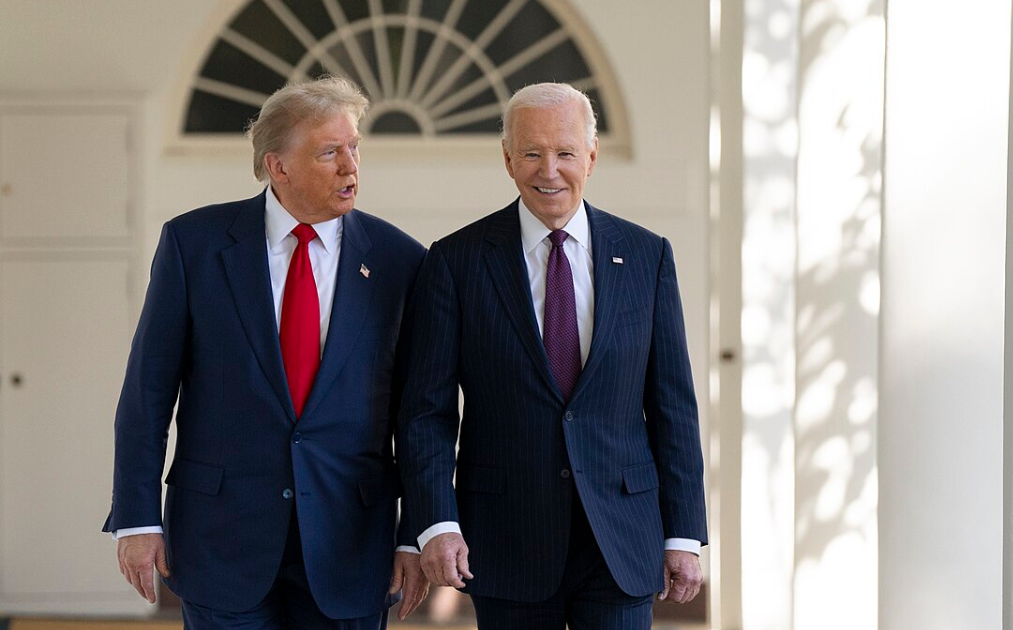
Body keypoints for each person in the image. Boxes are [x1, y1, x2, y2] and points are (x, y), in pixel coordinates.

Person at [103, 76, 429, 628]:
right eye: (330, 153)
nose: (351, 167)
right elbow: (147, 392)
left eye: (355, 148)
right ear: (278, 166)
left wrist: (416, 532)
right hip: (221, 538)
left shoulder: (402, 261)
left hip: (350, 542)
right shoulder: (194, 245)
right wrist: (137, 519)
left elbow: (417, 414)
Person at [398, 82, 708, 630]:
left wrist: (682, 533)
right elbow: (427, 413)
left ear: (590, 156)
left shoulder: (646, 256)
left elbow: (672, 407)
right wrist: (436, 523)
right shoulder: (456, 261)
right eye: (532, 153)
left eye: (565, 152)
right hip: (506, 538)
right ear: (508, 159)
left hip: (620, 537)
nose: (549, 170)